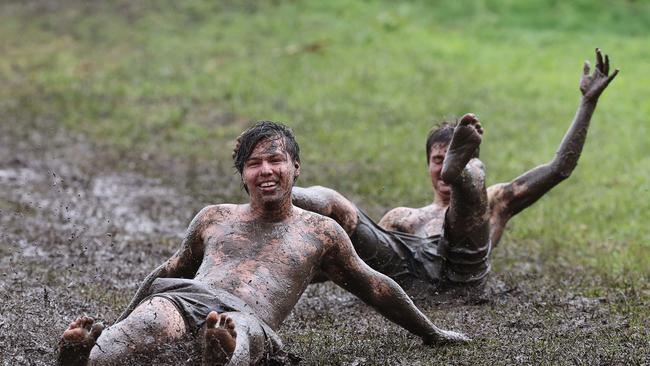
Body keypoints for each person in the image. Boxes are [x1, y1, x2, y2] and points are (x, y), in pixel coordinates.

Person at [57, 122, 469, 366]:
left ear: (296, 167)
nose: (266, 171)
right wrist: (115, 324)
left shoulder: (320, 232)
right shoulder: (214, 217)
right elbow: (168, 272)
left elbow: (375, 285)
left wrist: (433, 333)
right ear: (243, 176)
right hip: (188, 298)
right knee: (146, 325)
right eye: (254, 164)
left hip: (252, 318)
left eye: (275, 160)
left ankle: (218, 352)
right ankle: (83, 354)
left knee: (239, 335)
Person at [293, 49, 619, 291]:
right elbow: (350, 262)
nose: (439, 169)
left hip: (462, 270)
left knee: (474, 189)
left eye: (449, 160)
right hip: (409, 272)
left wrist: (587, 104)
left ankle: (465, 173)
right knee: (331, 200)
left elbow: (559, 168)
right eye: (438, 160)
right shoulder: (402, 217)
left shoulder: (496, 202)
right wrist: (299, 269)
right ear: (428, 167)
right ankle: (281, 192)